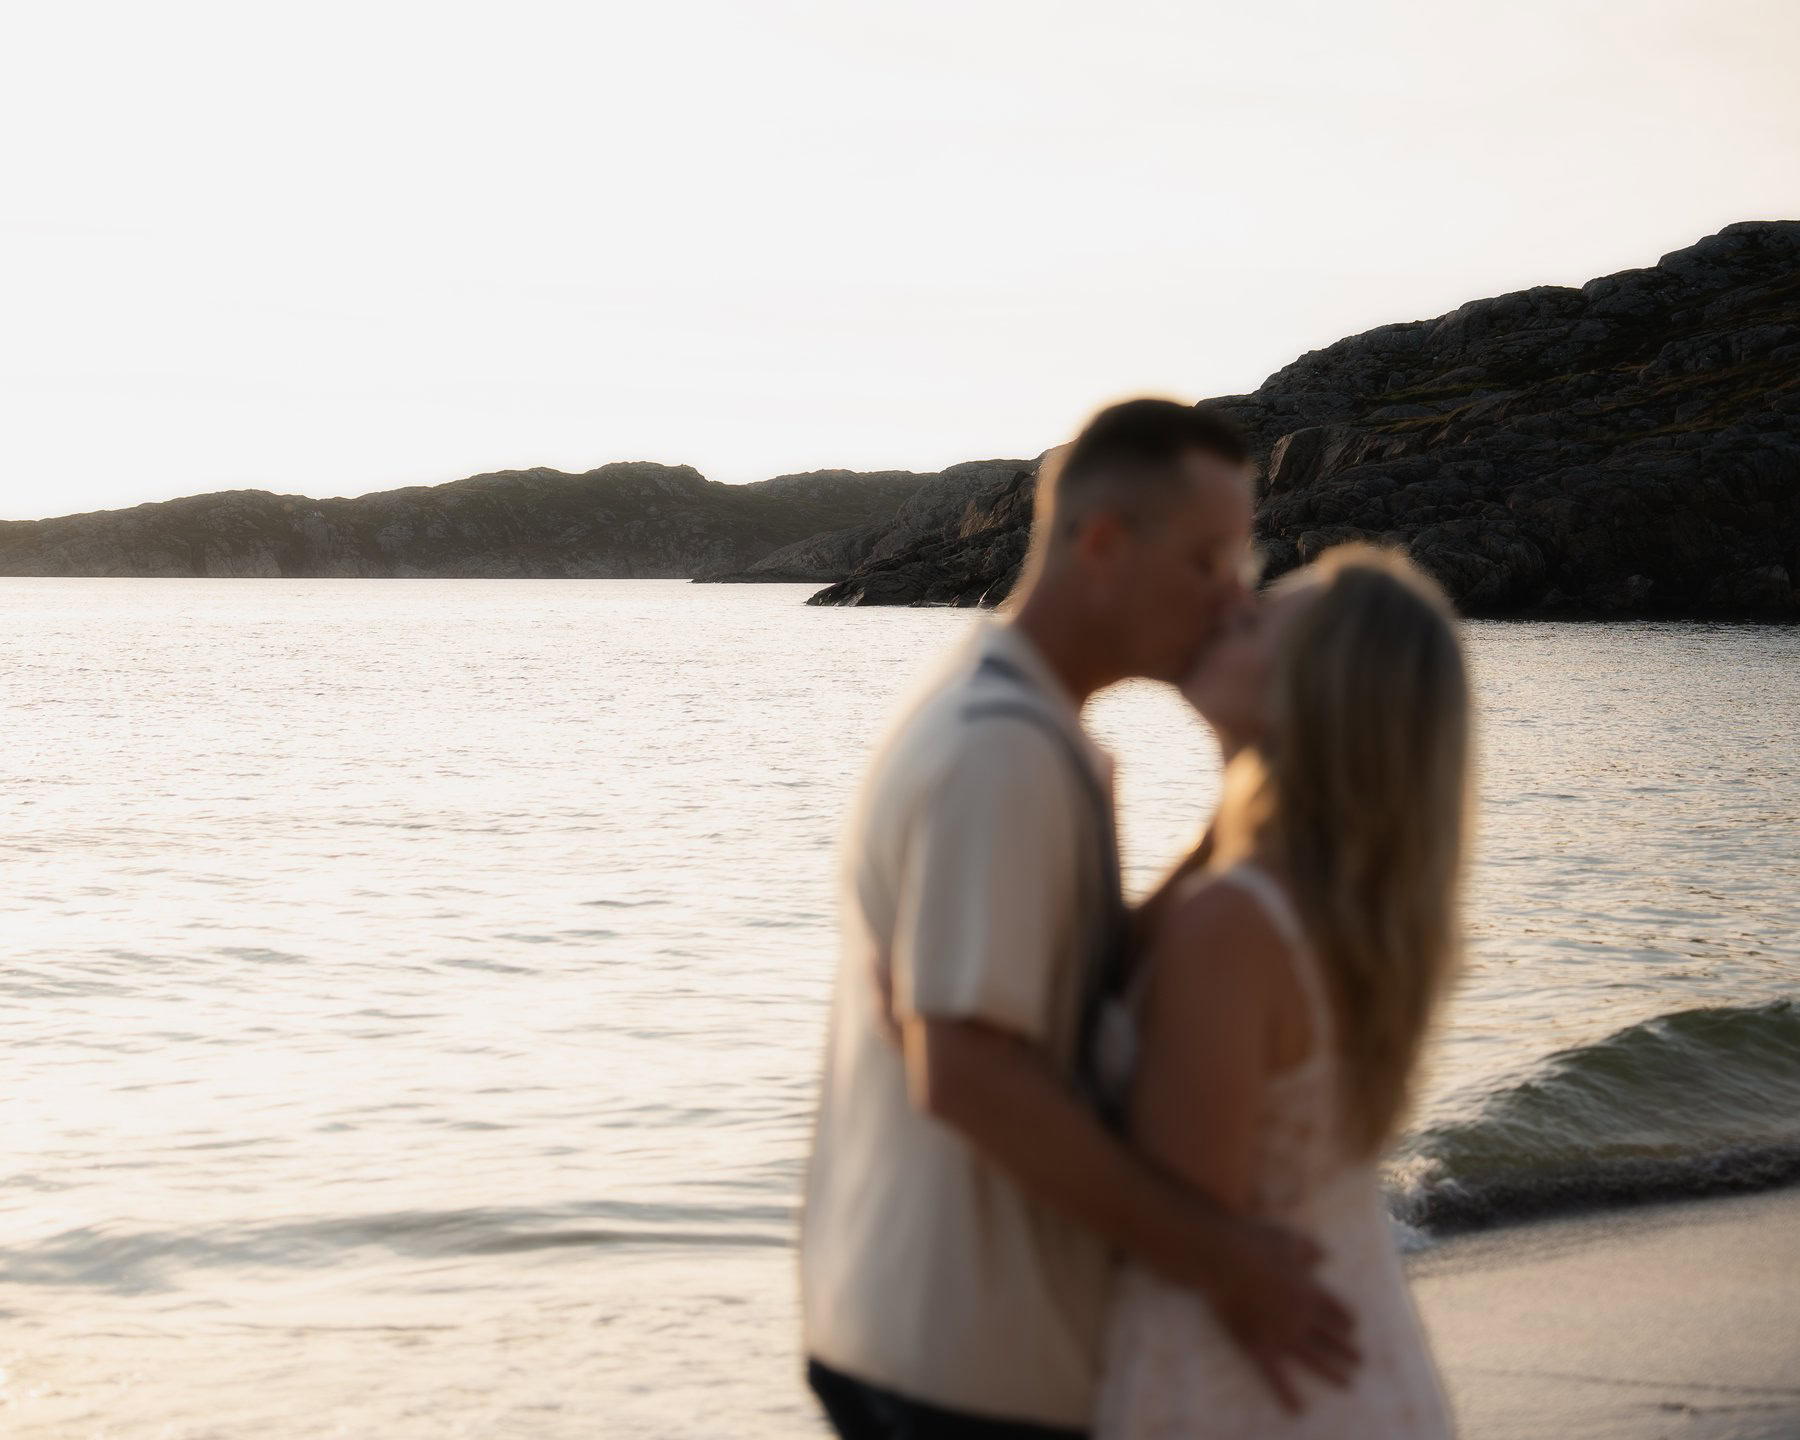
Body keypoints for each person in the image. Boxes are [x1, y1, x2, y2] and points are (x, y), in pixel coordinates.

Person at [799, 399, 1357, 1440]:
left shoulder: (1013, 721)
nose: (1228, 600)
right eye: (1206, 563)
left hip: (921, 1337)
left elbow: (1070, 994)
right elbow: (966, 1072)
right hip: (959, 1369)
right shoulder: (1002, 749)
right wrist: (1224, 1263)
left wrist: (1246, 788)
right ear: (1103, 544)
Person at [1095, 544, 1470, 1438]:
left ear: (1316, 698)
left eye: (1258, 619)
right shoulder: (1339, 904)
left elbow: (1176, 1213)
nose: (1228, 609)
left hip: (1259, 1391)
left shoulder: (1236, 924)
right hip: (1355, 1364)